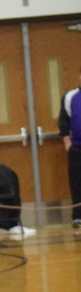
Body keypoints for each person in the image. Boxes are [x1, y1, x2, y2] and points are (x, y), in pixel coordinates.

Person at [61, 64, 81, 228]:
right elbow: (63, 122)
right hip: (77, 148)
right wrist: (67, 143)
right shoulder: (70, 97)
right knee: (76, 182)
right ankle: (78, 215)